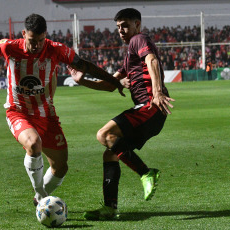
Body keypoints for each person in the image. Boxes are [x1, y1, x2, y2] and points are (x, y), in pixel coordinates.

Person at [0, 13, 123, 206]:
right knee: (33, 144)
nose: (37, 45)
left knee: (60, 168)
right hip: (18, 111)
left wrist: (113, 80)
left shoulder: (56, 50)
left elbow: (85, 65)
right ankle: (41, 195)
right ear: (23, 34)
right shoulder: (9, 47)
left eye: (40, 40)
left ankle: (40, 195)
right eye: (32, 40)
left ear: (45, 35)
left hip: (47, 115)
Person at [69, 8, 175, 220]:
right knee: (110, 151)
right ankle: (110, 207)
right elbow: (110, 85)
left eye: (125, 25)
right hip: (149, 112)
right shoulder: (129, 57)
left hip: (150, 106)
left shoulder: (139, 39)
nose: (121, 30)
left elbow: (152, 61)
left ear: (137, 24)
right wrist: (82, 81)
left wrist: (156, 92)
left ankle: (146, 172)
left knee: (104, 135)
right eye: (118, 27)